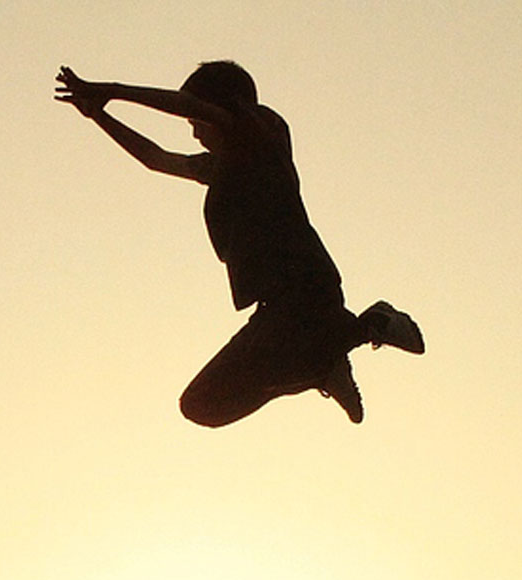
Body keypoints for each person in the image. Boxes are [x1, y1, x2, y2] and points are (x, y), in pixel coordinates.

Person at [55, 61, 423, 426]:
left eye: (195, 124)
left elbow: (195, 108)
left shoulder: (266, 132)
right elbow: (156, 159)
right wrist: (98, 115)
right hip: (273, 307)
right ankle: (323, 363)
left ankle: (366, 327)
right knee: (201, 405)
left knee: (237, 382)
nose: (195, 133)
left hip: (305, 288)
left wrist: (113, 90)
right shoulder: (220, 168)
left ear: (225, 106)